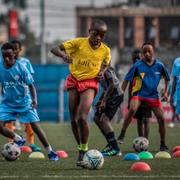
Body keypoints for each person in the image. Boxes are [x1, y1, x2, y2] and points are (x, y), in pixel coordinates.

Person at [51, 19, 111, 166]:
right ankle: (80, 147)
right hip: (74, 80)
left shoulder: (105, 50)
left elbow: (107, 62)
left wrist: (102, 72)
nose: (98, 38)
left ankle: (83, 150)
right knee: (73, 119)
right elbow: (54, 49)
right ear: (89, 31)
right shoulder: (78, 43)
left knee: (82, 117)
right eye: (96, 34)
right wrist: (63, 55)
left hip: (90, 82)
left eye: (102, 35)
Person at [0, 42, 58, 161]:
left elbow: (31, 86)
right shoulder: (0, 67)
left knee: (36, 127)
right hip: (7, 103)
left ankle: (50, 151)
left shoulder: (21, 67)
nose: (6, 59)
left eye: (9, 56)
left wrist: (34, 99)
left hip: (24, 103)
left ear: (14, 55)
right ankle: (17, 138)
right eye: (4, 56)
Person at [117, 43, 170, 151]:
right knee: (132, 109)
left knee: (162, 118)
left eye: (149, 51)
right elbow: (126, 80)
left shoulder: (160, 65)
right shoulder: (137, 65)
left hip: (153, 96)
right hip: (139, 94)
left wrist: (165, 92)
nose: (147, 53)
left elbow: (167, 79)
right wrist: (121, 93)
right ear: (141, 54)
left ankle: (163, 144)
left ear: (153, 51)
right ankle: (122, 133)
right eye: (144, 51)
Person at [4, 40, 41, 152]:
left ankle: (31, 143)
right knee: (8, 120)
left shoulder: (25, 62)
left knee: (29, 120)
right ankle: (11, 142)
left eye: (16, 48)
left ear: (20, 49)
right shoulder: (5, 63)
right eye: (13, 49)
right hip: (10, 96)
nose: (14, 51)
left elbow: (29, 80)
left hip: (25, 97)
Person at [117, 49, 152, 143]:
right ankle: (142, 141)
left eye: (138, 57)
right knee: (140, 120)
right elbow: (127, 83)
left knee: (146, 119)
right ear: (132, 59)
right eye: (134, 57)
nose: (136, 59)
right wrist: (123, 96)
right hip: (135, 96)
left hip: (146, 95)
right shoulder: (132, 69)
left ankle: (145, 141)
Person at [93, 65, 123, 157]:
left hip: (115, 95)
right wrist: (100, 100)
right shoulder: (97, 68)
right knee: (97, 118)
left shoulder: (105, 69)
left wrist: (104, 100)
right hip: (110, 95)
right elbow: (106, 88)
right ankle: (111, 144)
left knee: (104, 120)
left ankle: (116, 149)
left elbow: (112, 85)